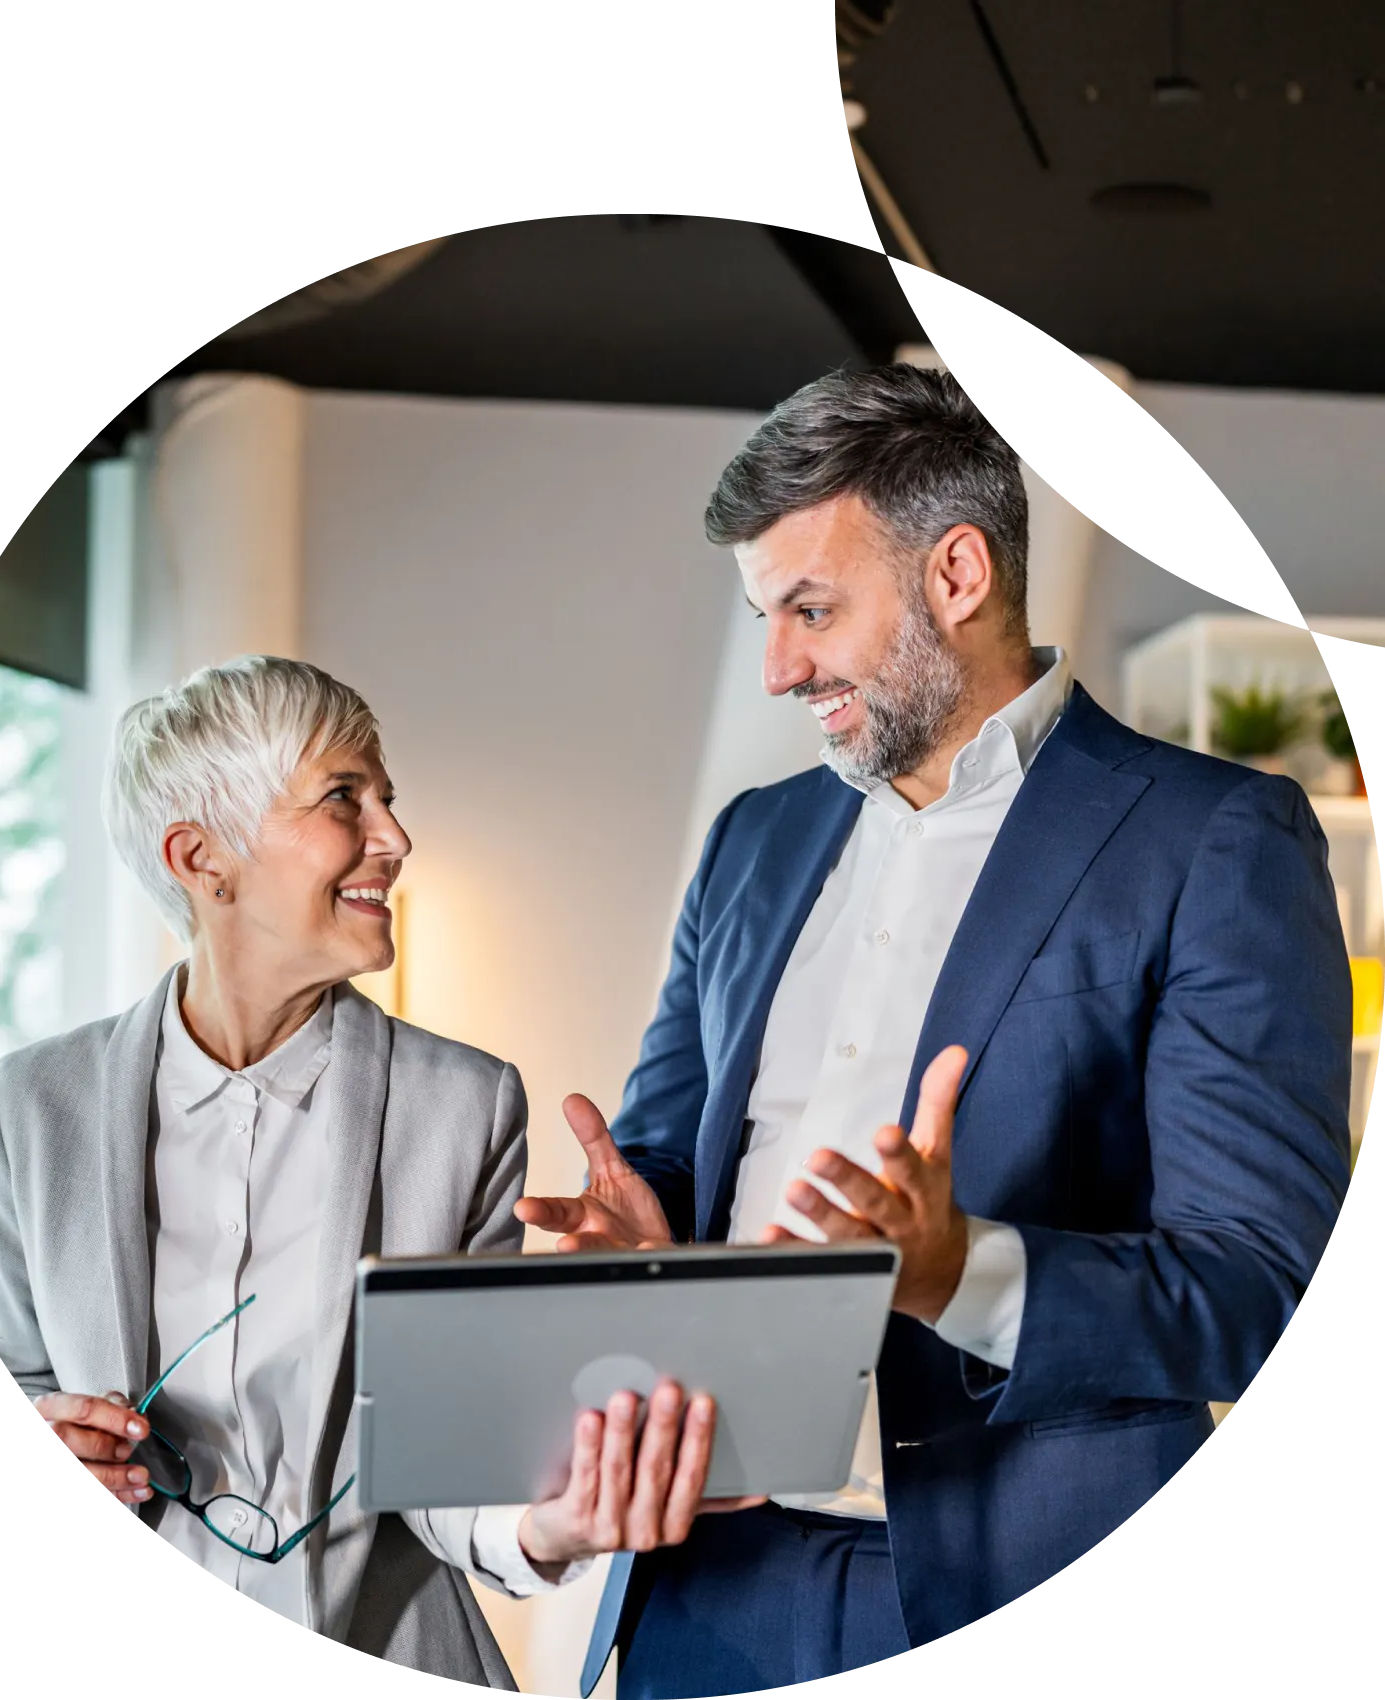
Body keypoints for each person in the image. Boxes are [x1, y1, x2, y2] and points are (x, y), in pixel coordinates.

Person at [515, 364, 1355, 1699]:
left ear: (958, 574)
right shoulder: (753, 842)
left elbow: (1263, 1289)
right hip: (707, 1596)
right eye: (765, 617)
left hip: (1010, 1567)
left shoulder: (1211, 841)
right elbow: (670, 1157)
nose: (781, 666)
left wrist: (961, 1270)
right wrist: (636, 1240)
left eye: (812, 609)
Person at [0, 655, 759, 1689]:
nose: (394, 835)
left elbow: (449, 1459)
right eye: (346, 795)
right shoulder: (35, 1103)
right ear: (203, 856)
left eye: (387, 795)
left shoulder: (464, 1106)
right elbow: (18, 1370)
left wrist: (551, 1525)